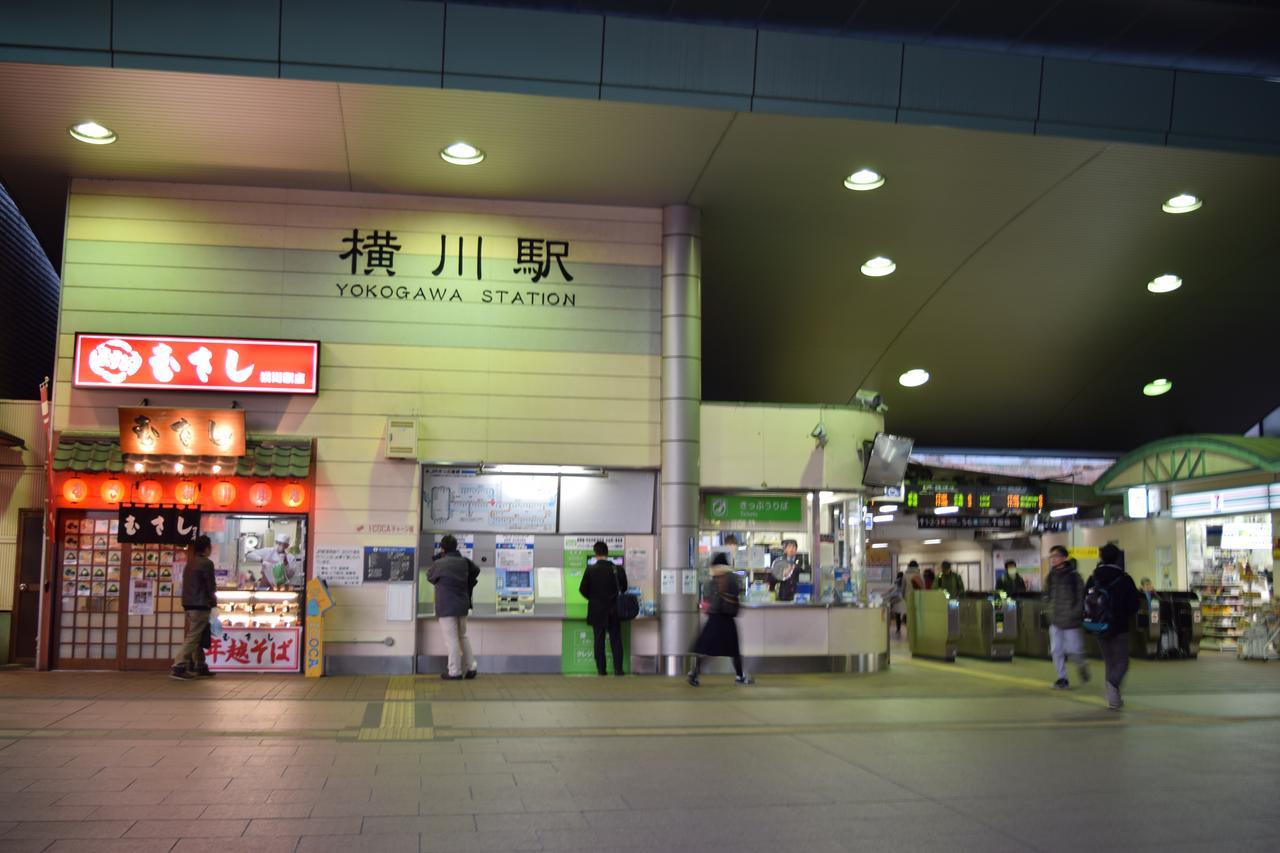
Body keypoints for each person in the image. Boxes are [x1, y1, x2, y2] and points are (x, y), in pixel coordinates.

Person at [1087, 543, 1140, 710]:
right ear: (1117, 558)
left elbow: (1087, 601)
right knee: (1122, 662)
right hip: (1120, 627)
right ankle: (1112, 685)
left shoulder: (1093, 578)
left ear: (1101, 558)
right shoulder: (1124, 579)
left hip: (1100, 626)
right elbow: (1134, 605)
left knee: (1110, 662)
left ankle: (1114, 700)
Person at [688, 553, 752, 685]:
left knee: (706, 648)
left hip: (714, 618)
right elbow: (737, 594)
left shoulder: (711, 580)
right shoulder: (733, 578)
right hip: (727, 618)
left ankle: (694, 673)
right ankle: (740, 676)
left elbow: (708, 598)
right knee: (734, 650)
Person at [427, 534, 480, 680]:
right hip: (462, 604)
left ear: (442, 548)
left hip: (446, 606)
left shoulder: (440, 564)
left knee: (451, 640)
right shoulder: (464, 562)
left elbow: (430, 576)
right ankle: (471, 667)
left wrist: (439, 561)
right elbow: (476, 570)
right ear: (456, 547)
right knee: (463, 636)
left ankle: (454, 671)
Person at [578, 541, 628, 676]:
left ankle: (601, 670)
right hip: (614, 610)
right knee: (616, 640)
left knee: (598, 641)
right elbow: (624, 588)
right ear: (607, 553)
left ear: (595, 553)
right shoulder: (617, 569)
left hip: (597, 610)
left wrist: (593, 598)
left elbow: (582, 589)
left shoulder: (590, 569)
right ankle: (618, 670)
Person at [171, 535, 216, 680]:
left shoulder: (190, 563)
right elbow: (210, 586)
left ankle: (200, 665)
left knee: (197, 634)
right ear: (207, 548)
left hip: (188, 604)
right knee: (194, 636)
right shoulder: (207, 563)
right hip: (200, 604)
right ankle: (178, 665)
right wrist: (213, 602)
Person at [1045, 545, 1088, 690]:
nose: (1053, 559)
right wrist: (1049, 610)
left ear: (1064, 558)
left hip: (1071, 621)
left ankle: (1081, 665)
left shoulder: (1075, 577)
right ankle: (1062, 678)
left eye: (1055, 556)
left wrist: (1074, 613)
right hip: (1055, 620)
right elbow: (1047, 595)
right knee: (1056, 650)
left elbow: (1081, 598)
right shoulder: (1050, 576)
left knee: (1074, 650)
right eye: (1051, 556)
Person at [888, 571, 906, 636]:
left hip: (897, 601)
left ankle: (898, 629)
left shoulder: (897, 581)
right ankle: (900, 628)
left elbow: (894, 591)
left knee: (897, 615)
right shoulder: (903, 581)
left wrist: (889, 596)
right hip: (902, 600)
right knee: (900, 615)